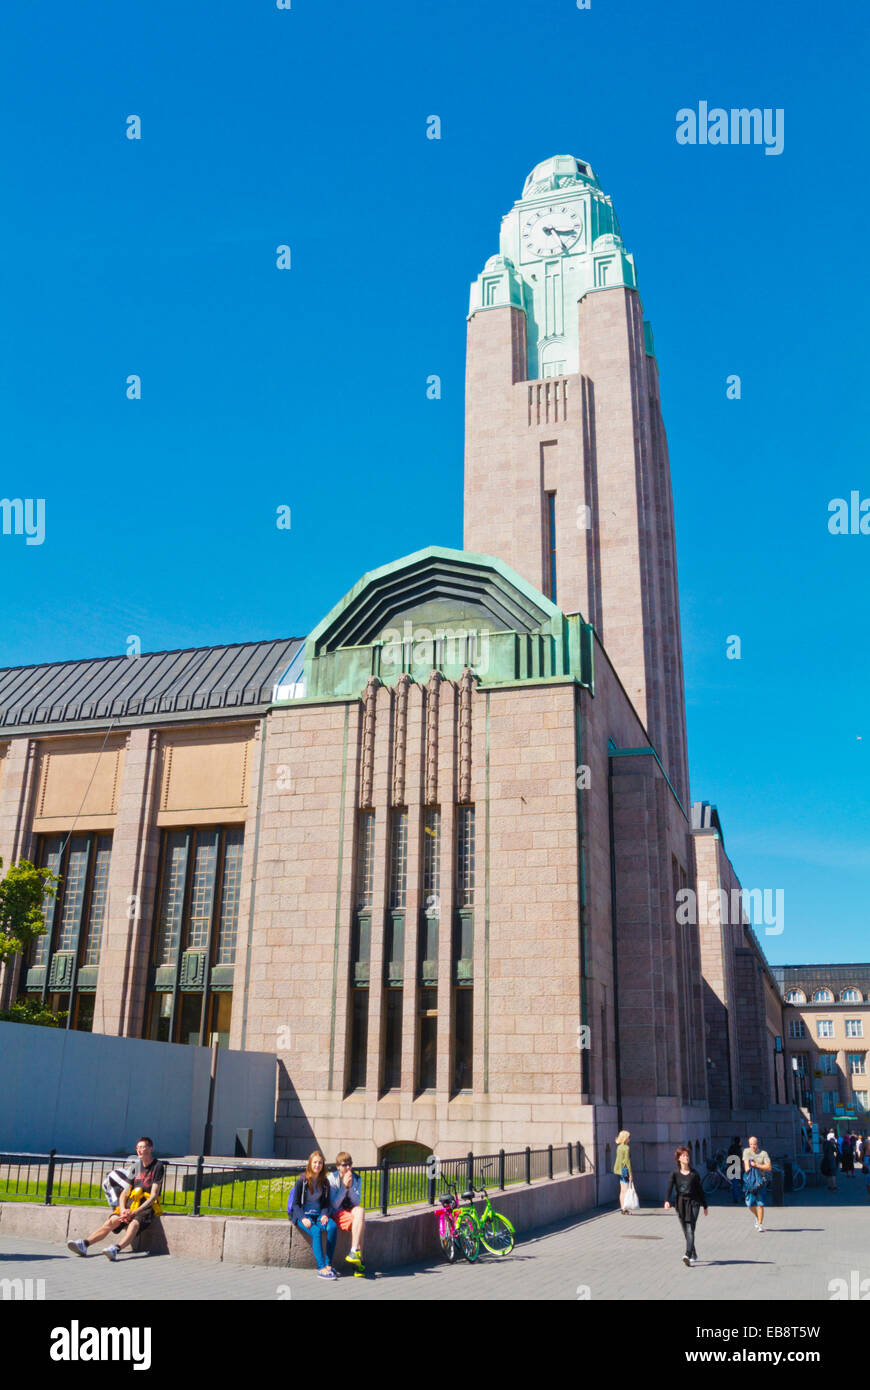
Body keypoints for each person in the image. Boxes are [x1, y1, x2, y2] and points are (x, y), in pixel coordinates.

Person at [67, 1137, 163, 1261]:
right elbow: (125, 1192)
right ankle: (84, 1244)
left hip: (145, 1206)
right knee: (112, 1221)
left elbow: (154, 1194)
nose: (139, 1150)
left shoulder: (157, 1166)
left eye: (143, 1147)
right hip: (130, 1204)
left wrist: (134, 1212)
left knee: (133, 1224)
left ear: (150, 1148)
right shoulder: (136, 1167)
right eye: (137, 1147)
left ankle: (115, 1249)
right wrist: (123, 1209)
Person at [288, 1150, 337, 1279]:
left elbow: (326, 1203)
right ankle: (321, 1268)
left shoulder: (325, 1182)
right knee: (315, 1232)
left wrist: (325, 1214)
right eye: (315, 1162)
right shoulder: (302, 1181)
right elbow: (296, 1204)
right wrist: (303, 1218)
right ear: (310, 1164)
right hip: (303, 1216)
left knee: (332, 1227)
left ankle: (328, 1265)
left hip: (319, 1215)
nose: (317, 1165)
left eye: (320, 1163)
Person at [664, 1146, 708, 1266]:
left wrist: (705, 1205)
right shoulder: (674, 1174)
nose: (686, 1157)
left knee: (690, 1227)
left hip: (694, 1202)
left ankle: (687, 1254)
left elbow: (700, 1190)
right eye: (683, 1155)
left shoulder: (694, 1174)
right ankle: (694, 1253)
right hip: (680, 1203)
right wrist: (667, 1200)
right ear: (679, 1158)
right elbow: (669, 1187)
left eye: (687, 1155)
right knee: (685, 1229)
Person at [328, 1151, 366, 1272]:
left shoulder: (356, 1178)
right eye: (344, 1165)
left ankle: (354, 1250)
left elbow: (356, 1203)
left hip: (350, 1209)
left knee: (360, 1211)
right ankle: (359, 1261)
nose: (348, 1167)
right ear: (338, 1166)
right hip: (337, 1212)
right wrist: (344, 1187)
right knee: (361, 1224)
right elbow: (334, 1204)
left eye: (350, 1164)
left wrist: (349, 1189)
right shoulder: (332, 1179)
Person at [742, 1135, 772, 1232]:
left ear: (757, 1144)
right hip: (750, 1182)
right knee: (749, 1204)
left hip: (761, 1182)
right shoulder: (746, 1151)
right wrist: (748, 1167)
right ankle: (757, 1216)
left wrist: (756, 1165)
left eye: (754, 1144)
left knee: (760, 1204)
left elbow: (769, 1167)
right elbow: (746, 1166)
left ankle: (760, 1224)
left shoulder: (763, 1153)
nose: (752, 1146)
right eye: (750, 1144)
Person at [613, 1130, 633, 1213]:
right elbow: (627, 1161)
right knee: (626, 1189)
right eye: (628, 1137)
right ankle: (625, 1208)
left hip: (618, 1169)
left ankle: (622, 1207)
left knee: (622, 1190)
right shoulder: (626, 1147)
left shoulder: (619, 1147)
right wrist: (630, 1174)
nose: (629, 1139)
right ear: (625, 1138)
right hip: (624, 1170)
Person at [726, 1136, 743, 1204]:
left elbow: (728, 1157)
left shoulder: (731, 1148)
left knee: (734, 1184)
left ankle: (735, 1198)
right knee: (742, 1183)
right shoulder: (740, 1149)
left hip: (731, 1167)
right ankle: (743, 1196)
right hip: (738, 1166)